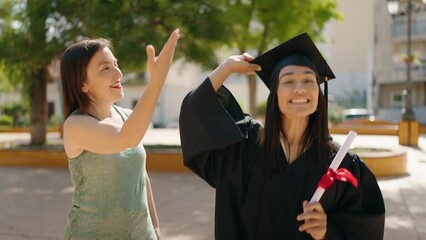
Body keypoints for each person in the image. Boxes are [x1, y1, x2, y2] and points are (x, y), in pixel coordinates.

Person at [179, 33, 385, 240]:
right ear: (274, 94)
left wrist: (326, 231)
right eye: (288, 82)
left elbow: (366, 228)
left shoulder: (341, 164)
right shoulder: (243, 145)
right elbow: (196, 111)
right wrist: (227, 67)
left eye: (308, 80)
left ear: (318, 93)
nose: (300, 89)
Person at [60, 29, 180, 240]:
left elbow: (141, 176)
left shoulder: (128, 117)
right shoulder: (75, 126)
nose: (118, 73)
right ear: (82, 84)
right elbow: (124, 139)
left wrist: (157, 229)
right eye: (106, 68)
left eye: (116, 64)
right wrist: (156, 83)